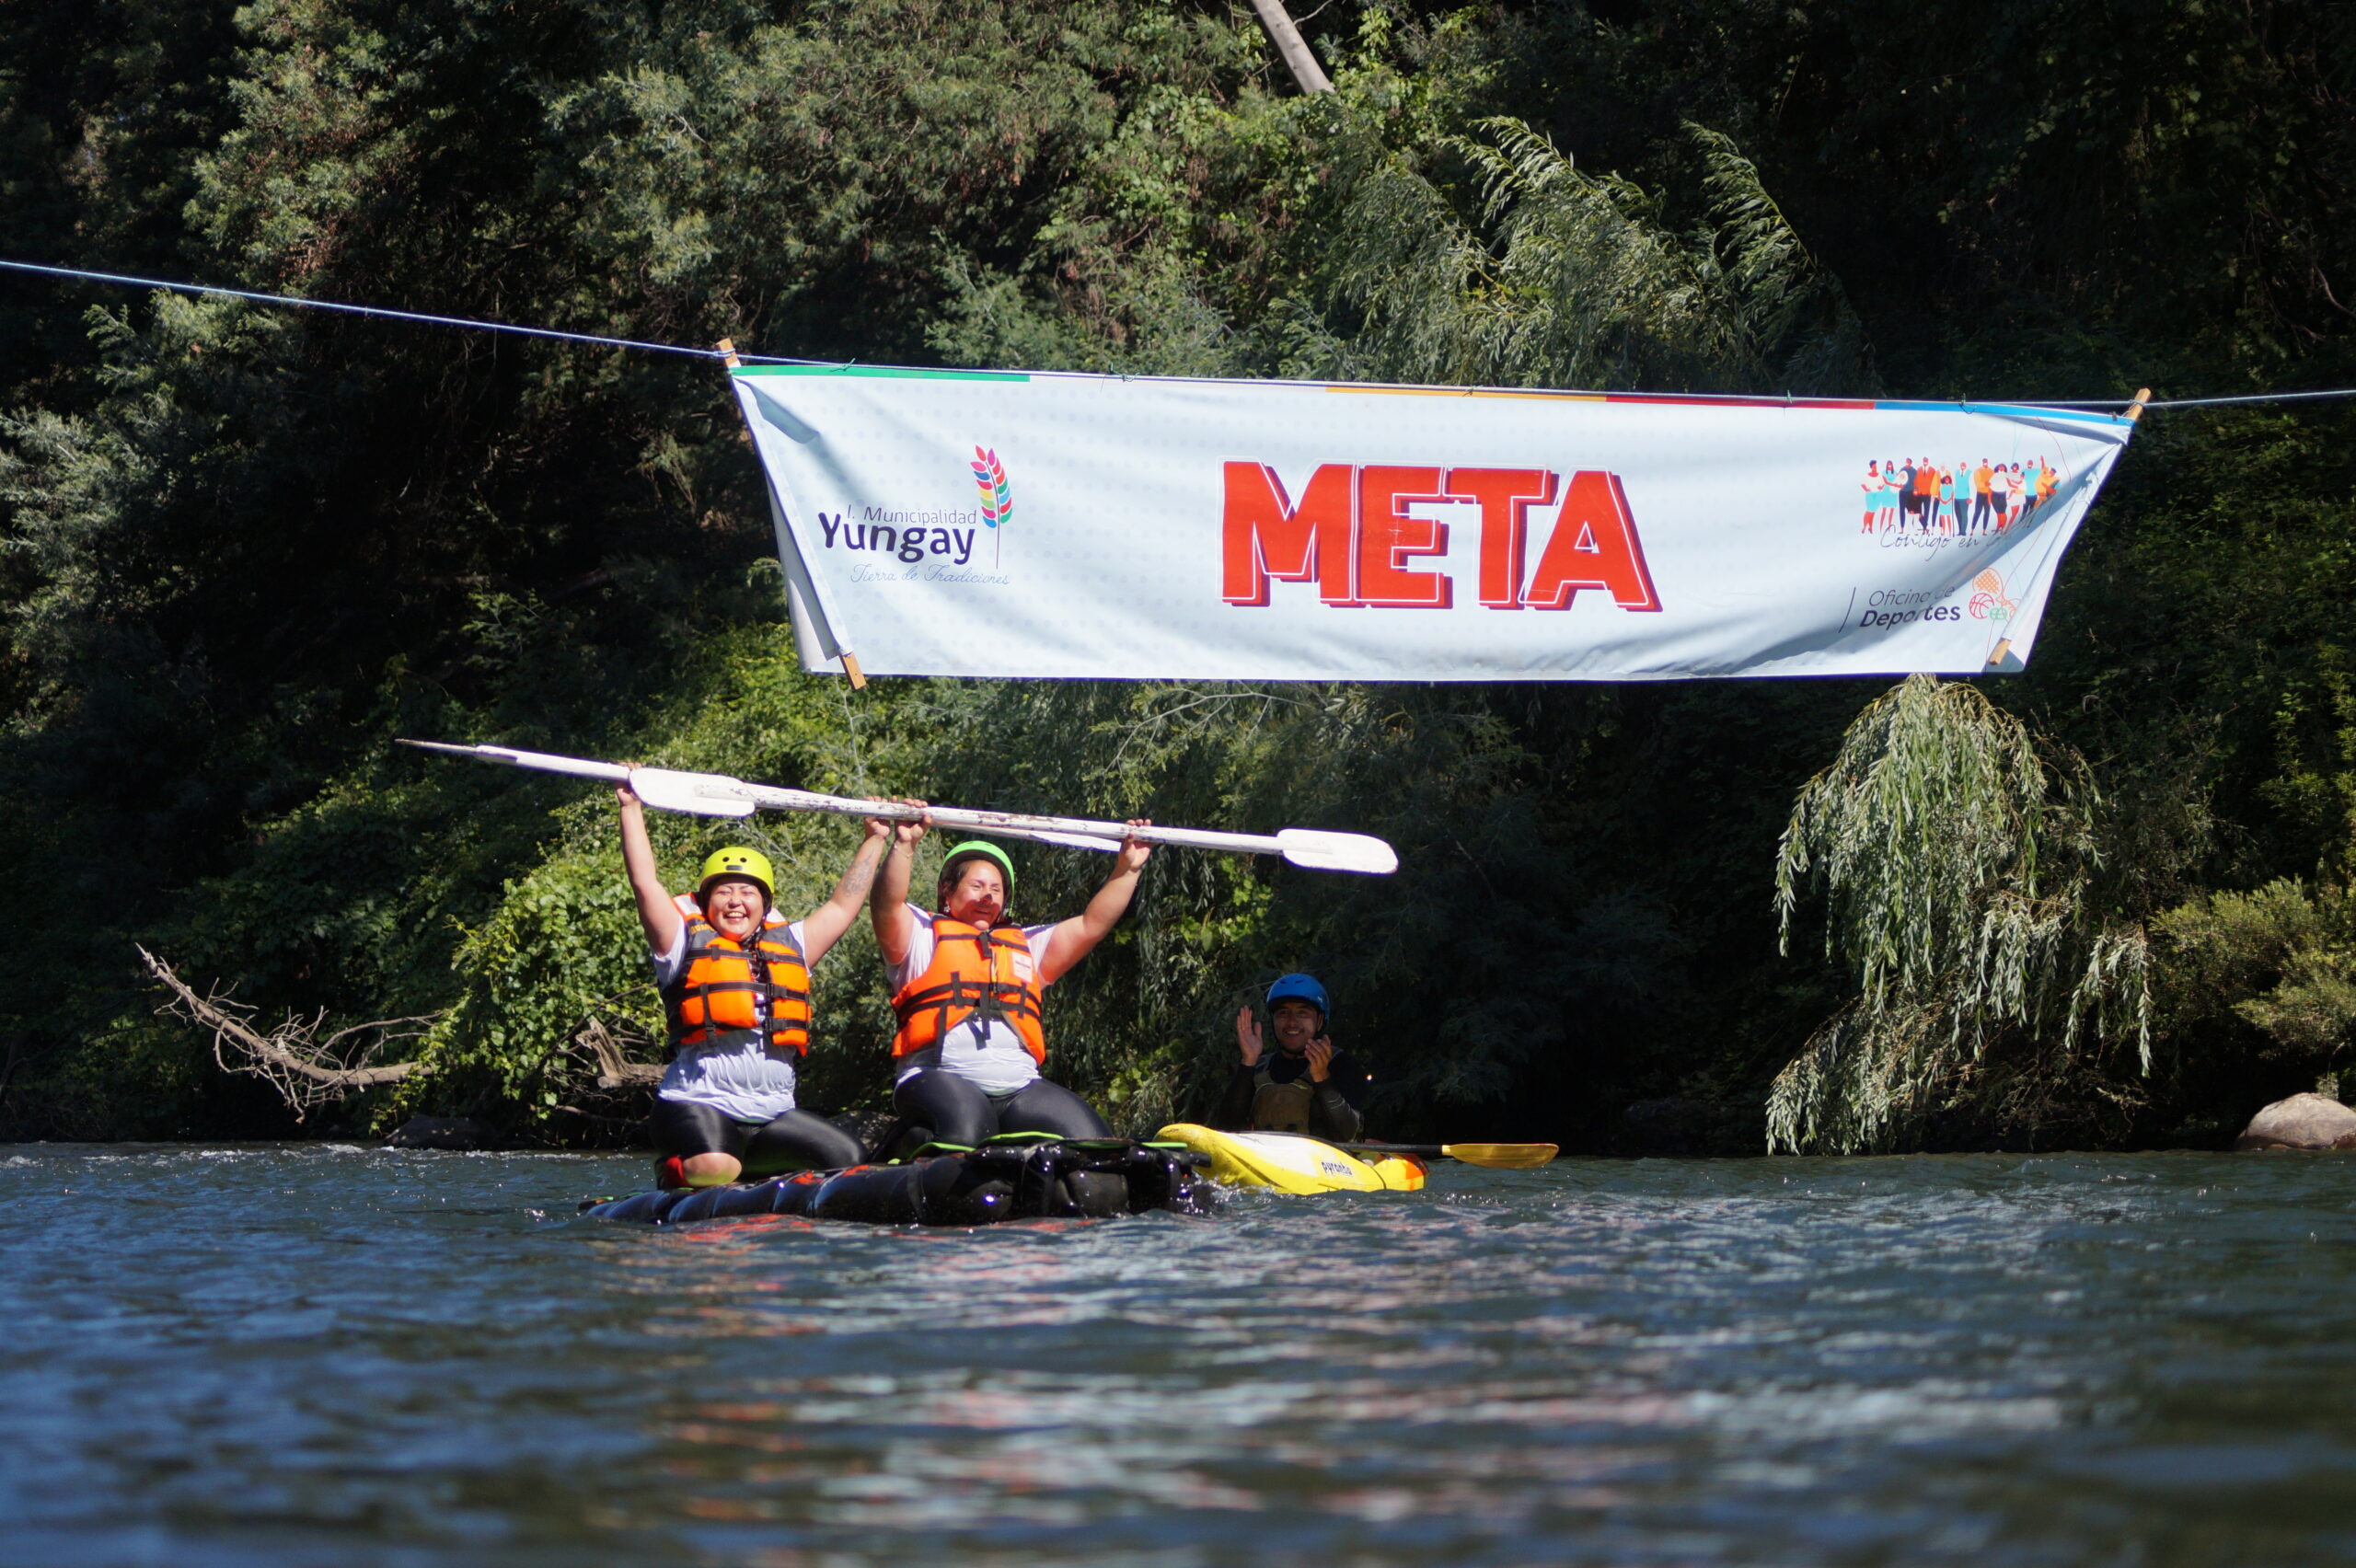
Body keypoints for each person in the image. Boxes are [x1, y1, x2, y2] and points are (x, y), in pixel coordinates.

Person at [619, 784, 884, 1189]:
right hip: (699, 1103)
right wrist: (631, 807)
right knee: (715, 1167)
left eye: (747, 892)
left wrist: (875, 838)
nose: (735, 901)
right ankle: (675, 1172)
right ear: (706, 902)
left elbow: (843, 905)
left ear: (765, 904)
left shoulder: (792, 946)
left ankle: (755, 1171)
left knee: (849, 1161)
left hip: (772, 1112)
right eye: (723, 891)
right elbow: (645, 883)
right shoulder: (680, 943)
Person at [870, 809, 1151, 1148]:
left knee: (1095, 1141)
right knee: (969, 1128)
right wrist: (904, 844)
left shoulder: (1027, 946)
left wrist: (1129, 868)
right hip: (935, 1079)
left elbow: (1092, 925)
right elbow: (886, 904)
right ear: (947, 891)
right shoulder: (919, 935)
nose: (988, 896)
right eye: (976, 886)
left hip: (1019, 1087)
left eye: (996, 890)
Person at [1216, 973, 1369, 1143]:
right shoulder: (1259, 1067)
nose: (1291, 1022)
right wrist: (1248, 1061)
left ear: (1319, 1021)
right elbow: (1227, 1130)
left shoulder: (1342, 1064)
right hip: (1268, 1162)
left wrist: (1322, 1079)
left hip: (1322, 1165)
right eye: (1283, 1014)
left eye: (1302, 1013)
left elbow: (1347, 1133)